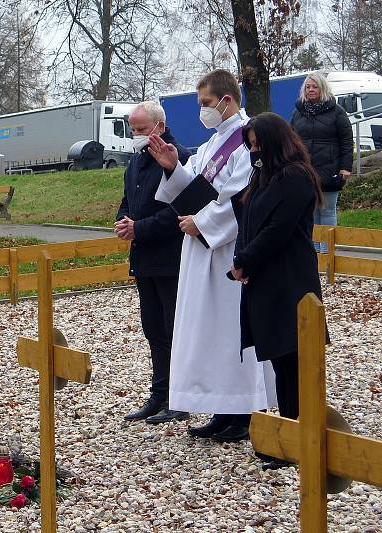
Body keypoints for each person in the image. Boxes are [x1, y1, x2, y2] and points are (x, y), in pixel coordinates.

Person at [146, 69, 275, 442]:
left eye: (206, 104)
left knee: (230, 328)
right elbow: (197, 187)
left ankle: (246, 411)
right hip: (202, 250)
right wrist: (173, 166)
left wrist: (202, 223)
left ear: (227, 100)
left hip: (229, 250)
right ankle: (223, 407)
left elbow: (242, 196)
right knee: (209, 330)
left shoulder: (248, 139)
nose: (203, 111)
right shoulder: (214, 141)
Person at [231, 112, 325, 469]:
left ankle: (301, 437)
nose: (254, 152)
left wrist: (246, 261)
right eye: (251, 146)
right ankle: (287, 437)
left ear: (273, 141)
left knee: (294, 360)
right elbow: (249, 221)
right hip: (266, 277)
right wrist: (243, 258)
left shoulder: (296, 177)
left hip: (290, 279)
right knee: (280, 361)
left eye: (257, 145)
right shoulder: (263, 175)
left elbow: (278, 230)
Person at [116, 101, 192, 424]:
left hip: (170, 257)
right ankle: (159, 393)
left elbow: (181, 209)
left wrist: (140, 228)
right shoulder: (135, 162)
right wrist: (122, 221)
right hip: (143, 259)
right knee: (153, 329)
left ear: (159, 127)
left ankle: (180, 395)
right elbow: (127, 200)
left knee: (174, 329)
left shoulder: (178, 158)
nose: (136, 135)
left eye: (142, 129)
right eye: (133, 130)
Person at [290, 72, 353, 252]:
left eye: (314, 86)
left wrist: (345, 167)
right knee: (310, 211)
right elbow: (291, 138)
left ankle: (328, 252)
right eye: (308, 87)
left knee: (326, 211)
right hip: (305, 170)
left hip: (330, 169)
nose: (311, 90)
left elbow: (347, 140)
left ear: (322, 88)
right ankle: (315, 252)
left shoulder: (337, 112)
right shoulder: (298, 112)